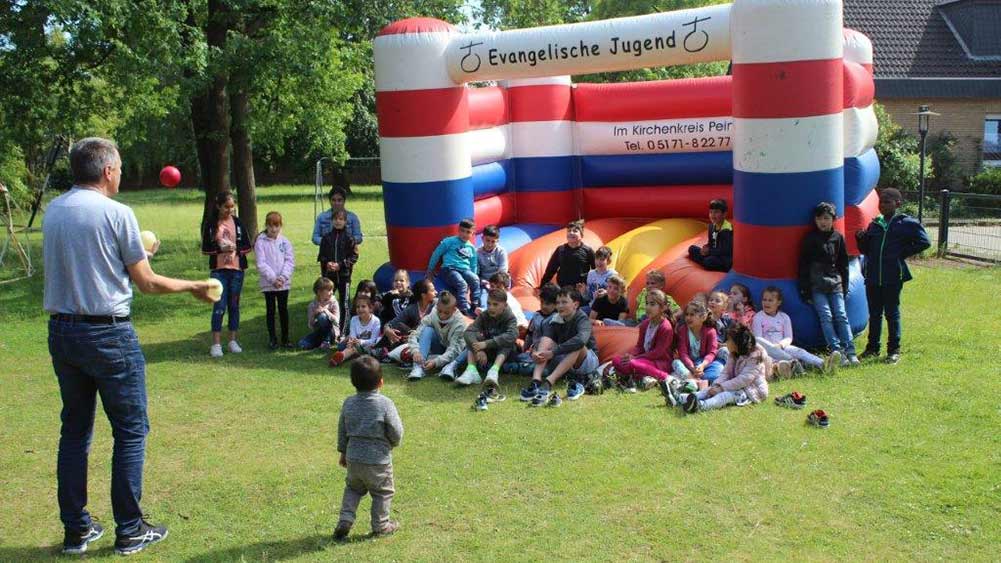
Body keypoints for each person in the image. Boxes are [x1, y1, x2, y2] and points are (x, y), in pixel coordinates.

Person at [44, 137, 214, 555]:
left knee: (75, 432)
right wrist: (194, 285)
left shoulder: (54, 210)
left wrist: (137, 249)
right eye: (118, 167)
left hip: (63, 333)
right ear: (106, 170)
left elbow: (90, 261)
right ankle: (130, 529)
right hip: (108, 334)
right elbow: (147, 282)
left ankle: (77, 529)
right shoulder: (117, 213)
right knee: (131, 432)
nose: (120, 173)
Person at [855, 188, 930, 364]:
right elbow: (866, 250)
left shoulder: (906, 223)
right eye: (880, 201)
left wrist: (900, 253)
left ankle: (893, 350)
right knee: (874, 314)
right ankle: (872, 348)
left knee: (892, 313)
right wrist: (861, 239)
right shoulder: (875, 224)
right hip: (873, 276)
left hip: (893, 276)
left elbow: (924, 242)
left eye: (887, 202)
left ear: (898, 203)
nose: (882, 205)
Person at [334, 357, 403, 541]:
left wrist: (343, 452)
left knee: (353, 489)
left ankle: (345, 520)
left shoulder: (348, 403)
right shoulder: (385, 404)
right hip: (378, 461)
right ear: (381, 381)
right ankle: (381, 525)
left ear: (353, 382)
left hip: (354, 459)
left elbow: (343, 429)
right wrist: (393, 443)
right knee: (382, 492)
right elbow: (396, 431)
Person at [799, 202, 859, 366]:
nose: (822, 222)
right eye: (819, 218)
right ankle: (836, 351)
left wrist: (845, 286)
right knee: (826, 316)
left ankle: (850, 351)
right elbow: (803, 265)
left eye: (826, 218)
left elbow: (843, 264)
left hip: (835, 283)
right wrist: (805, 290)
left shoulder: (838, 237)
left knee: (841, 315)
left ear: (833, 219)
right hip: (817, 284)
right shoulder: (810, 239)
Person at [521, 287, 600, 407]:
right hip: (564, 360)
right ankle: (536, 381)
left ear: (575, 304)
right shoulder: (554, 319)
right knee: (546, 340)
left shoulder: (582, 319)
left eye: (564, 302)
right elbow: (546, 339)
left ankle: (548, 382)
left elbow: (580, 340)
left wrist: (553, 352)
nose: (560, 306)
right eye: (558, 303)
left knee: (577, 344)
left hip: (586, 362)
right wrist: (537, 353)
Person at [201, 190, 253, 358]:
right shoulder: (211, 224)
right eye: (226, 207)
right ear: (218, 206)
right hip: (219, 271)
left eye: (232, 206)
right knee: (219, 306)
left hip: (237, 271)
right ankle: (216, 344)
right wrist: (220, 249)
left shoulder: (238, 223)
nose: (230, 210)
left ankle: (232, 341)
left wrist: (236, 248)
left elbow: (247, 246)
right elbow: (205, 249)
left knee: (234, 306)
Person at [675, 325, 770, 414]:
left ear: (737, 342)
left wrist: (722, 388)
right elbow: (726, 373)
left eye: (728, 340)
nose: (726, 343)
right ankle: (680, 398)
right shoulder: (733, 354)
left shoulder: (755, 357)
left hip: (751, 390)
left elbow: (744, 379)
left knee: (725, 396)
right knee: (709, 390)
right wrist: (716, 385)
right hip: (736, 385)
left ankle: (700, 406)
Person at [751, 286, 840, 377]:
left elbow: (789, 337)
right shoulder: (758, 317)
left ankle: (824, 364)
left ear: (778, 302)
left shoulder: (784, 317)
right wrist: (773, 348)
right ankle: (793, 364)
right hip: (767, 350)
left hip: (783, 348)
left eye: (770, 300)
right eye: (764, 300)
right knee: (762, 346)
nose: (766, 303)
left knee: (800, 351)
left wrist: (781, 345)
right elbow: (759, 339)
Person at [610, 289, 675, 392]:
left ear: (663, 308)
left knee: (633, 364)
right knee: (616, 359)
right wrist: (630, 355)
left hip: (660, 362)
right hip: (644, 360)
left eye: (652, 304)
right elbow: (639, 346)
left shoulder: (665, 327)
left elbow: (657, 353)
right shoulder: (645, 324)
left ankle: (667, 378)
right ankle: (643, 378)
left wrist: (635, 358)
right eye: (647, 303)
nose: (648, 307)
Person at [452, 288, 519, 387]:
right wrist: (479, 350)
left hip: (505, 355)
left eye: (495, 304)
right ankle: (471, 370)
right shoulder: (484, 315)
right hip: (488, 353)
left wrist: (486, 344)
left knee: (506, 340)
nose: (491, 308)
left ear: (505, 306)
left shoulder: (510, 317)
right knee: (474, 336)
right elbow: (468, 332)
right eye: (489, 304)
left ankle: (494, 371)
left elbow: (512, 336)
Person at [406, 291, 469, 381]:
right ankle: (418, 366)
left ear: (454, 310)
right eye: (440, 311)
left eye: (446, 313)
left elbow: (454, 349)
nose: (442, 315)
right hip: (439, 346)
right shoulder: (433, 313)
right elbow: (416, 333)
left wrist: (436, 362)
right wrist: (415, 351)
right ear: (436, 307)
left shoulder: (460, 323)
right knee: (427, 329)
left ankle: (450, 367)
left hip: (453, 351)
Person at [254, 211, 295, 350]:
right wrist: (273, 279)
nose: (273, 229)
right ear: (266, 225)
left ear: (280, 226)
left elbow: (289, 261)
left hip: (283, 284)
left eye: (276, 226)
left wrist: (283, 277)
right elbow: (261, 263)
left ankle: (285, 338)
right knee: (270, 310)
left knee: (283, 310)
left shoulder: (285, 242)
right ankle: (272, 339)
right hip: (269, 284)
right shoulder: (260, 242)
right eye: (271, 226)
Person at [502, 283, 560, 376]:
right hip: (533, 354)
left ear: (556, 304)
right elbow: (529, 334)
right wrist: (525, 349)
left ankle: (515, 367)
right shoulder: (537, 316)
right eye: (541, 302)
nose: (544, 306)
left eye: (548, 304)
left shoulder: (558, 318)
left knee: (541, 370)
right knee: (515, 355)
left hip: (549, 356)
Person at [426, 218, 480, 316]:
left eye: (468, 232)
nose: (464, 234)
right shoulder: (449, 241)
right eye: (462, 231)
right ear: (458, 230)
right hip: (449, 269)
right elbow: (436, 254)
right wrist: (430, 269)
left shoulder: (471, 247)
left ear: (472, 233)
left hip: (465, 270)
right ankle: (463, 309)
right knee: (462, 284)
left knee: (475, 279)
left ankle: (475, 304)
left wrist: (473, 275)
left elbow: (473, 264)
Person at [318, 209, 359, 335]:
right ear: (332, 221)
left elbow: (354, 256)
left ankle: (344, 331)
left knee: (345, 303)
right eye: (335, 219)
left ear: (345, 221)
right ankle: (327, 331)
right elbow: (322, 255)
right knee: (326, 301)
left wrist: (340, 265)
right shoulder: (326, 238)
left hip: (344, 277)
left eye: (341, 219)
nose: (338, 222)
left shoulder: (349, 238)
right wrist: (327, 263)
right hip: (329, 277)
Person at [672, 299, 724, 384]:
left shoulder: (710, 331)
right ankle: (694, 380)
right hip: (689, 365)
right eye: (687, 314)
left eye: (692, 315)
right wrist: (692, 368)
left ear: (703, 317)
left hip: (705, 364)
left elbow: (712, 352)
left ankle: (698, 380)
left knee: (718, 366)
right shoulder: (683, 330)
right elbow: (683, 353)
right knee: (675, 363)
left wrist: (703, 365)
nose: (688, 318)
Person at [379, 279, 436, 356]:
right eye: (432, 290)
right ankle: (387, 350)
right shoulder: (412, 308)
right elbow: (391, 323)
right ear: (423, 295)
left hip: (430, 340)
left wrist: (413, 336)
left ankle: (389, 351)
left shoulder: (437, 305)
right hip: (412, 340)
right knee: (399, 326)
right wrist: (388, 330)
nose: (436, 292)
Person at [539, 220, 596, 292]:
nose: (571, 233)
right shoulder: (560, 250)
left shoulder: (588, 251)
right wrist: (542, 286)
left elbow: (596, 270)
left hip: (580, 290)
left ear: (581, 235)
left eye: (575, 231)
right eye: (569, 231)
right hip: (563, 289)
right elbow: (550, 270)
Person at [330, 295, 382, 367]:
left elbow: (374, 340)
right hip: (356, 345)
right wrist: (351, 342)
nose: (360, 309)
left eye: (363, 306)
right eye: (358, 307)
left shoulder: (376, 321)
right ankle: (341, 356)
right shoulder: (354, 319)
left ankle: (346, 355)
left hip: (370, 345)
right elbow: (352, 336)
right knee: (343, 347)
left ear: (370, 308)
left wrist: (360, 341)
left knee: (356, 348)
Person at [688, 199, 733, 272]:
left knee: (709, 261)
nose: (712, 215)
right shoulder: (711, 226)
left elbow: (725, 250)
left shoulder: (727, 230)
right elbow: (711, 243)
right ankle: (705, 262)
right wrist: (706, 247)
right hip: (713, 254)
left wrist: (709, 252)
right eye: (711, 212)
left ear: (724, 214)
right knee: (692, 248)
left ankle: (707, 263)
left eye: (716, 212)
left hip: (723, 258)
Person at [312, 184, 363, 248]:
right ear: (330, 201)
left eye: (339, 200)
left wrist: (346, 241)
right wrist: (327, 241)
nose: (336, 203)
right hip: (327, 252)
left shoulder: (352, 218)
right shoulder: (322, 217)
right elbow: (315, 237)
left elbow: (358, 237)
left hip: (346, 252)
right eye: (333, 200)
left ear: (344, 201)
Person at [299, 277, 340, 350]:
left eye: (332, 290)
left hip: (332, 333)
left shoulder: (333, 303)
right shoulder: (312, 305)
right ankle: (321, 343)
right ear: (319, 292)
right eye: (329, 290)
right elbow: (311, 325)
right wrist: (314, 315)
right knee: (302, 343)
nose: (332, 292)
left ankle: (327, 341)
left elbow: (337, 322)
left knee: (322, 316)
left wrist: (326, 311)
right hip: (319, 333)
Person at [477, 224, 508, 306]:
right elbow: (476, 272)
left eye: (493, 241)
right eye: (487, 240)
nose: (490, 244)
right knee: (483, 297)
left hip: (500, 281)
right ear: (482, 238)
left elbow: (503, 271)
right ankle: (483, 310)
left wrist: (496, 285)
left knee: (500, 297)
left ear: (497, 241)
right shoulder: (478, 253)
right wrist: (482, 281)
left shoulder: (501, 252)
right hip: (485, 282)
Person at [707, 290, 733, 364]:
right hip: (714, 350)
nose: (712, 302)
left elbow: (733, 334)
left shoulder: (726, 320)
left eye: (717, 301)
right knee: (725, 351)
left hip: (727, 346)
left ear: (724, 306)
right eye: (711, 300)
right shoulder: (705, 319)